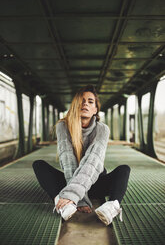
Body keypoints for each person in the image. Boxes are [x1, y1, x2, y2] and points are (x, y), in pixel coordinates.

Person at [33, 85, 130, 226]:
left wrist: (74, 196)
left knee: (124, 170)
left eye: (90, 101)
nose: (85, 104)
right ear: (75, 105)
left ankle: (111, 207)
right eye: (81, 101)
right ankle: (62, 204)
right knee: (39, 165)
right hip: (70, 180)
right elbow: (68, 162)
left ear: (95, 110)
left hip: (96, 181)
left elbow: (92, 162)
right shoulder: (63, 126)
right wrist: (78, 198)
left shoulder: (102, 129)